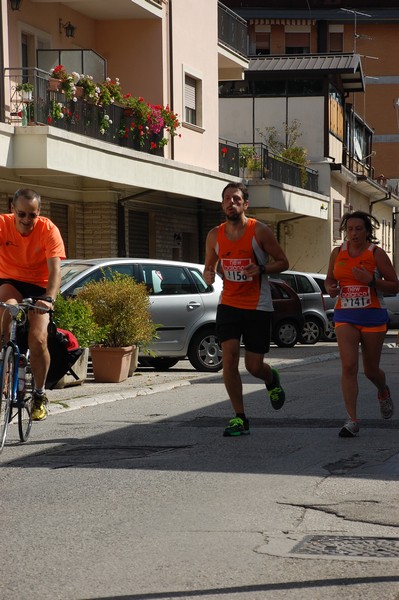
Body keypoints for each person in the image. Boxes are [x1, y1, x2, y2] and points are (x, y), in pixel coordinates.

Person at [203, 182, 289, 437]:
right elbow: (209, 267)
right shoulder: (213, 235)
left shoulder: (259, 231)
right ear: (222, 204)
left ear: (245, 204)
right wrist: (208, 274)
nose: (231, 202)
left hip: (257, 306)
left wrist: (261, 269)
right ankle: (240, 418)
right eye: (227, 199)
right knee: (228, 361)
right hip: (229, 303)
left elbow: (283, 262)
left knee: (253, 366)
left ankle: (270, 378)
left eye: (237, 199)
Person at [325, 210, 399, 438]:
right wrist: (330, 287)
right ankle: (352, 420)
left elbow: (395, 285)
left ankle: (382, 390)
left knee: (370, 370)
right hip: (345, 315)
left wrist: (371, 281)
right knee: (348, 366)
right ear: (344, 231)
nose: (354, 233)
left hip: (372, 316)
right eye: (349, 229)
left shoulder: (376, 253)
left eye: (358, 229)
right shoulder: (337, 253)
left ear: (367, 232)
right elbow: (330, 279)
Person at [0, 188, 66, 421]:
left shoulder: (48, 229)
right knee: (6, 308)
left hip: (40, 286)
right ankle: (4, 362)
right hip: (10, 281)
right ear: (12, 210)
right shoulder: (1, 224)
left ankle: (39, 394)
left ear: (39, 213)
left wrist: (49, 298)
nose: (27, 220)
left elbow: (55, 269)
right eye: (22, 214)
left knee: (38, 339)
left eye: (32, 215)